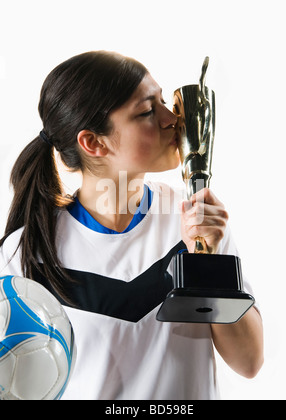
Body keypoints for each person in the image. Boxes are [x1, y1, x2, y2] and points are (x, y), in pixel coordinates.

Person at [0, 51, 263, 400]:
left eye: (163, 101)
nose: (173, 118)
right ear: (93, 142)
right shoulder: (29, 252)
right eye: (147, 112)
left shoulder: (197, 219)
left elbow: (249, 362)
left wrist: (207, 260)